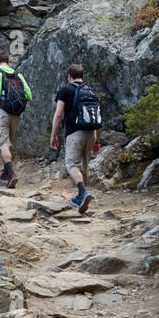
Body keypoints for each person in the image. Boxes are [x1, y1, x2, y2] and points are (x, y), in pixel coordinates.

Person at [50, 63, 102, 213]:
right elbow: (97, 117)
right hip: (90, 133)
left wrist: (53, 135)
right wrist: (98, 140)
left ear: (69, 76)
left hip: (74, 133)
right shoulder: (91, 91)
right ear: (82, 76)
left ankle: (82, 192)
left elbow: (59, 114)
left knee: (72, 165)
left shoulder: (65, 90)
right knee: (84, 167)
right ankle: (82, 198)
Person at [0, 48, 32, 188]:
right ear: (8, 62)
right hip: (16, 113)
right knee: (10, 143)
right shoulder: (18, 75)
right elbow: (29, 96)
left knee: (3, 143)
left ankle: (11, 173)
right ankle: (5, 172)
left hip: (1, 110)